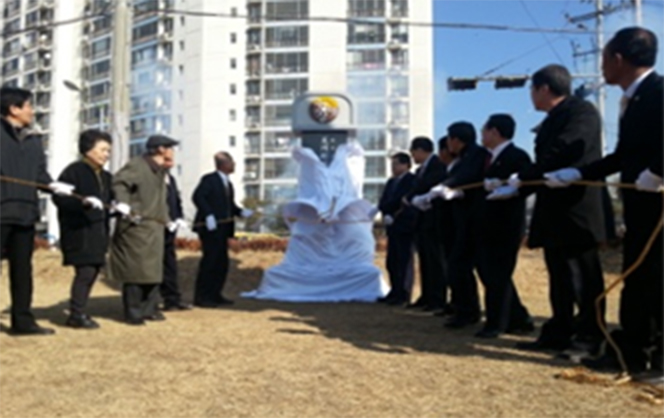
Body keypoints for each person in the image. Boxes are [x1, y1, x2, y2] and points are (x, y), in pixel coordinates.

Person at [545, 27, 663, 375]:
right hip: (639, 205)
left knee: (658, 280)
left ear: (618, 58)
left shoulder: (658, 92)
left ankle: (659, 360)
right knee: (636, 278)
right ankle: (630, 351)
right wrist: (580, 173)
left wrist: (657, 172)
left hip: (658, 206)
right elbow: (623, 155)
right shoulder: (633, 99)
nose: (601, 68)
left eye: (603, 59)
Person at [495, 64, 606, 354]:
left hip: (577, 209)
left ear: (544, 88)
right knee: (560, 277)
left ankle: (590, 336)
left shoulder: (580, 112)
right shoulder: (553, 118)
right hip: (554, 210)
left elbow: (564, 149)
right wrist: (521, 187)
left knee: (583, 278)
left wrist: (524, 179)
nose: (531, 96)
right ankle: (559, 332)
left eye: (532, 89)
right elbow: (544, 165)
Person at [0, 86, 75, 336]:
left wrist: (54, 186)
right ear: (14, 109)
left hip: (25, 214)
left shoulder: (34, 141)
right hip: (1, 213)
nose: (32, 111)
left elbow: (40, 176)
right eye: (29, 105)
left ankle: (22, 322)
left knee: (22, 272)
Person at [109, 135, 177, 325]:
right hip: (136, 228)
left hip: (155, 228)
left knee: (153, 272)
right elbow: (119, 182)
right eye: (170, 147)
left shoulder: (160, 171)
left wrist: (168, 220)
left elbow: (160, 201)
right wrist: (123, 204)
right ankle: (133, 312)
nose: (173, 152)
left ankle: (149, 309)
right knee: (135, 272)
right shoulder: (138, 166)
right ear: (161, 149)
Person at [476, 114, 534, 338]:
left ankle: (496, 324)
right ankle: (519, 318)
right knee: (491, 272)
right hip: (486, 224)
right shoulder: (486, 158)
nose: (482, 134)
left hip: (506, 225)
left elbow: (527, 183)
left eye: (485, 130)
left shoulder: (517, 156)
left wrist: (510, 188)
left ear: (495, 132)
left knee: (498, 274)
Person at [52, 130, 114, 329]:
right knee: (85, 272)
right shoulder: (74, 171)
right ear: (88, 150)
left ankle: (79, 310)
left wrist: (117, 208)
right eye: (103, 149)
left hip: (98, 232)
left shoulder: (106, 177)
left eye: (108, 150)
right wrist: (83, 204)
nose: (107, 154)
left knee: (93, 270)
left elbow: (108, 203)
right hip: (79, 232)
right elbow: (59, 197)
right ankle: (76, 314)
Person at [431, 122, 488, 329]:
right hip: (462, 220)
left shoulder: (475, 154)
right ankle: (464, 309)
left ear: (455, 140)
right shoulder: (465, 157)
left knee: (464, 267)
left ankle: (469, 311)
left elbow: (469, 176)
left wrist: (448, 186)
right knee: (459, 267)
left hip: (474, 219)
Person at [192, 152, 252, 308]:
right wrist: (208, 215)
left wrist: (240, 211)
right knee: (210, 261)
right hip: (210, 227)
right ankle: (202, 296)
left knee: (221, 263)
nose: (234, 165)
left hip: (223, 228)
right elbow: (198, 197)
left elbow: (228, 206)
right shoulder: (209, 179)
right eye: (231, 162)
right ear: (223, 164)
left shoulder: (228, 184)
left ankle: (215, 294)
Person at [404, 137, 447, 312]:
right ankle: (427, 296)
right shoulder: (422, 169)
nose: (412, 155)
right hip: (421, 221)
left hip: (435, 220)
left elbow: (428, 186)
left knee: (436, 261)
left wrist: (413, 197)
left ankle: (438, 299)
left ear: (422, 150)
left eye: (413, 151)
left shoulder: (438, 165)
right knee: (425, 261)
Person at [378, 152, 416, 305]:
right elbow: (384, 201)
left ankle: (404, 293)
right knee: (392, 261)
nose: (393, 168)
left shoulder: (411, 180)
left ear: (406, 165)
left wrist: (394, 214)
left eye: (396, 164)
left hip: (404, 224)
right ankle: (394, 291)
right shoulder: (391, 182)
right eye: (392, 165)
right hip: (392, 226)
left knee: (405, 261)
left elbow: (404, 201)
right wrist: (386, 213)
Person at [159, 157, 190, 311]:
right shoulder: (154, 179)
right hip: (158, 227)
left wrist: (179, 218)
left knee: (170, 264)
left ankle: (173, 299)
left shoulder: (171, 178)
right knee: (158, 265)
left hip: (171, 229)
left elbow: (176, 201)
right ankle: (157, 298)